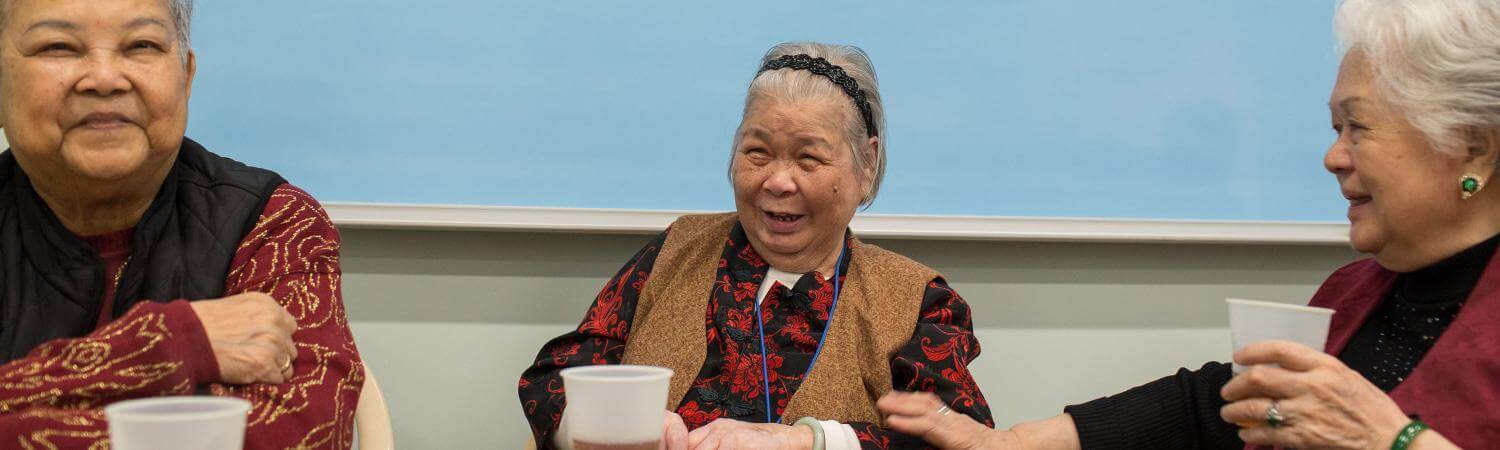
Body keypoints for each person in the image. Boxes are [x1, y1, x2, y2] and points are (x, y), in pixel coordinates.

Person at [877, 0, 1498, 448]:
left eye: (1358, 127)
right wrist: (1010, 443)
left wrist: (1393, 439)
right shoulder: (1351, 291)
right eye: (1336, 129)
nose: (1333, 157)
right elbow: (1211, 405)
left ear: (1473, 147)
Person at [519, 42, 994, 449]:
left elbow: (960, 437)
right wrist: (615, 425)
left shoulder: (918, 301)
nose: (777, 181)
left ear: (866, 165)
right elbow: (553, 380)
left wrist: (806, 440)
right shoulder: (675, 251)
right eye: (757, 152)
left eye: (808, 158)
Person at [0, 0, 364, 447]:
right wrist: (170, 345)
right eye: (58, 46)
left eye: (141, 45)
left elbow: (301, 435)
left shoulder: (273, 224)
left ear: (186, 77)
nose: (105, 79)